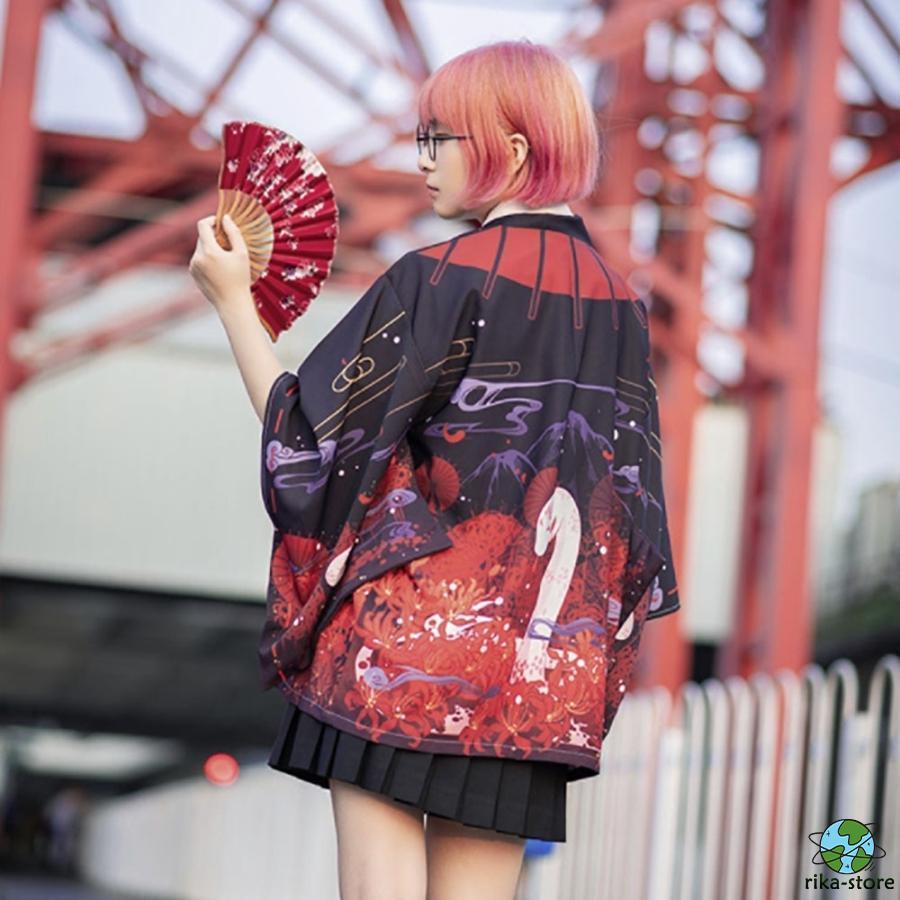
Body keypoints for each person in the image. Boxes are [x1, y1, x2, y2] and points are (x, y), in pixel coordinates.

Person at [190, 39, 679, 900]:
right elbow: (630, 519)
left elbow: (311, 445)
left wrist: (234, 302)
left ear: (512, 149)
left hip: (402, 658)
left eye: (437, 137)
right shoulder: (624, 315)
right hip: (537, 681)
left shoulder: (438, 280)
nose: (420, 160)